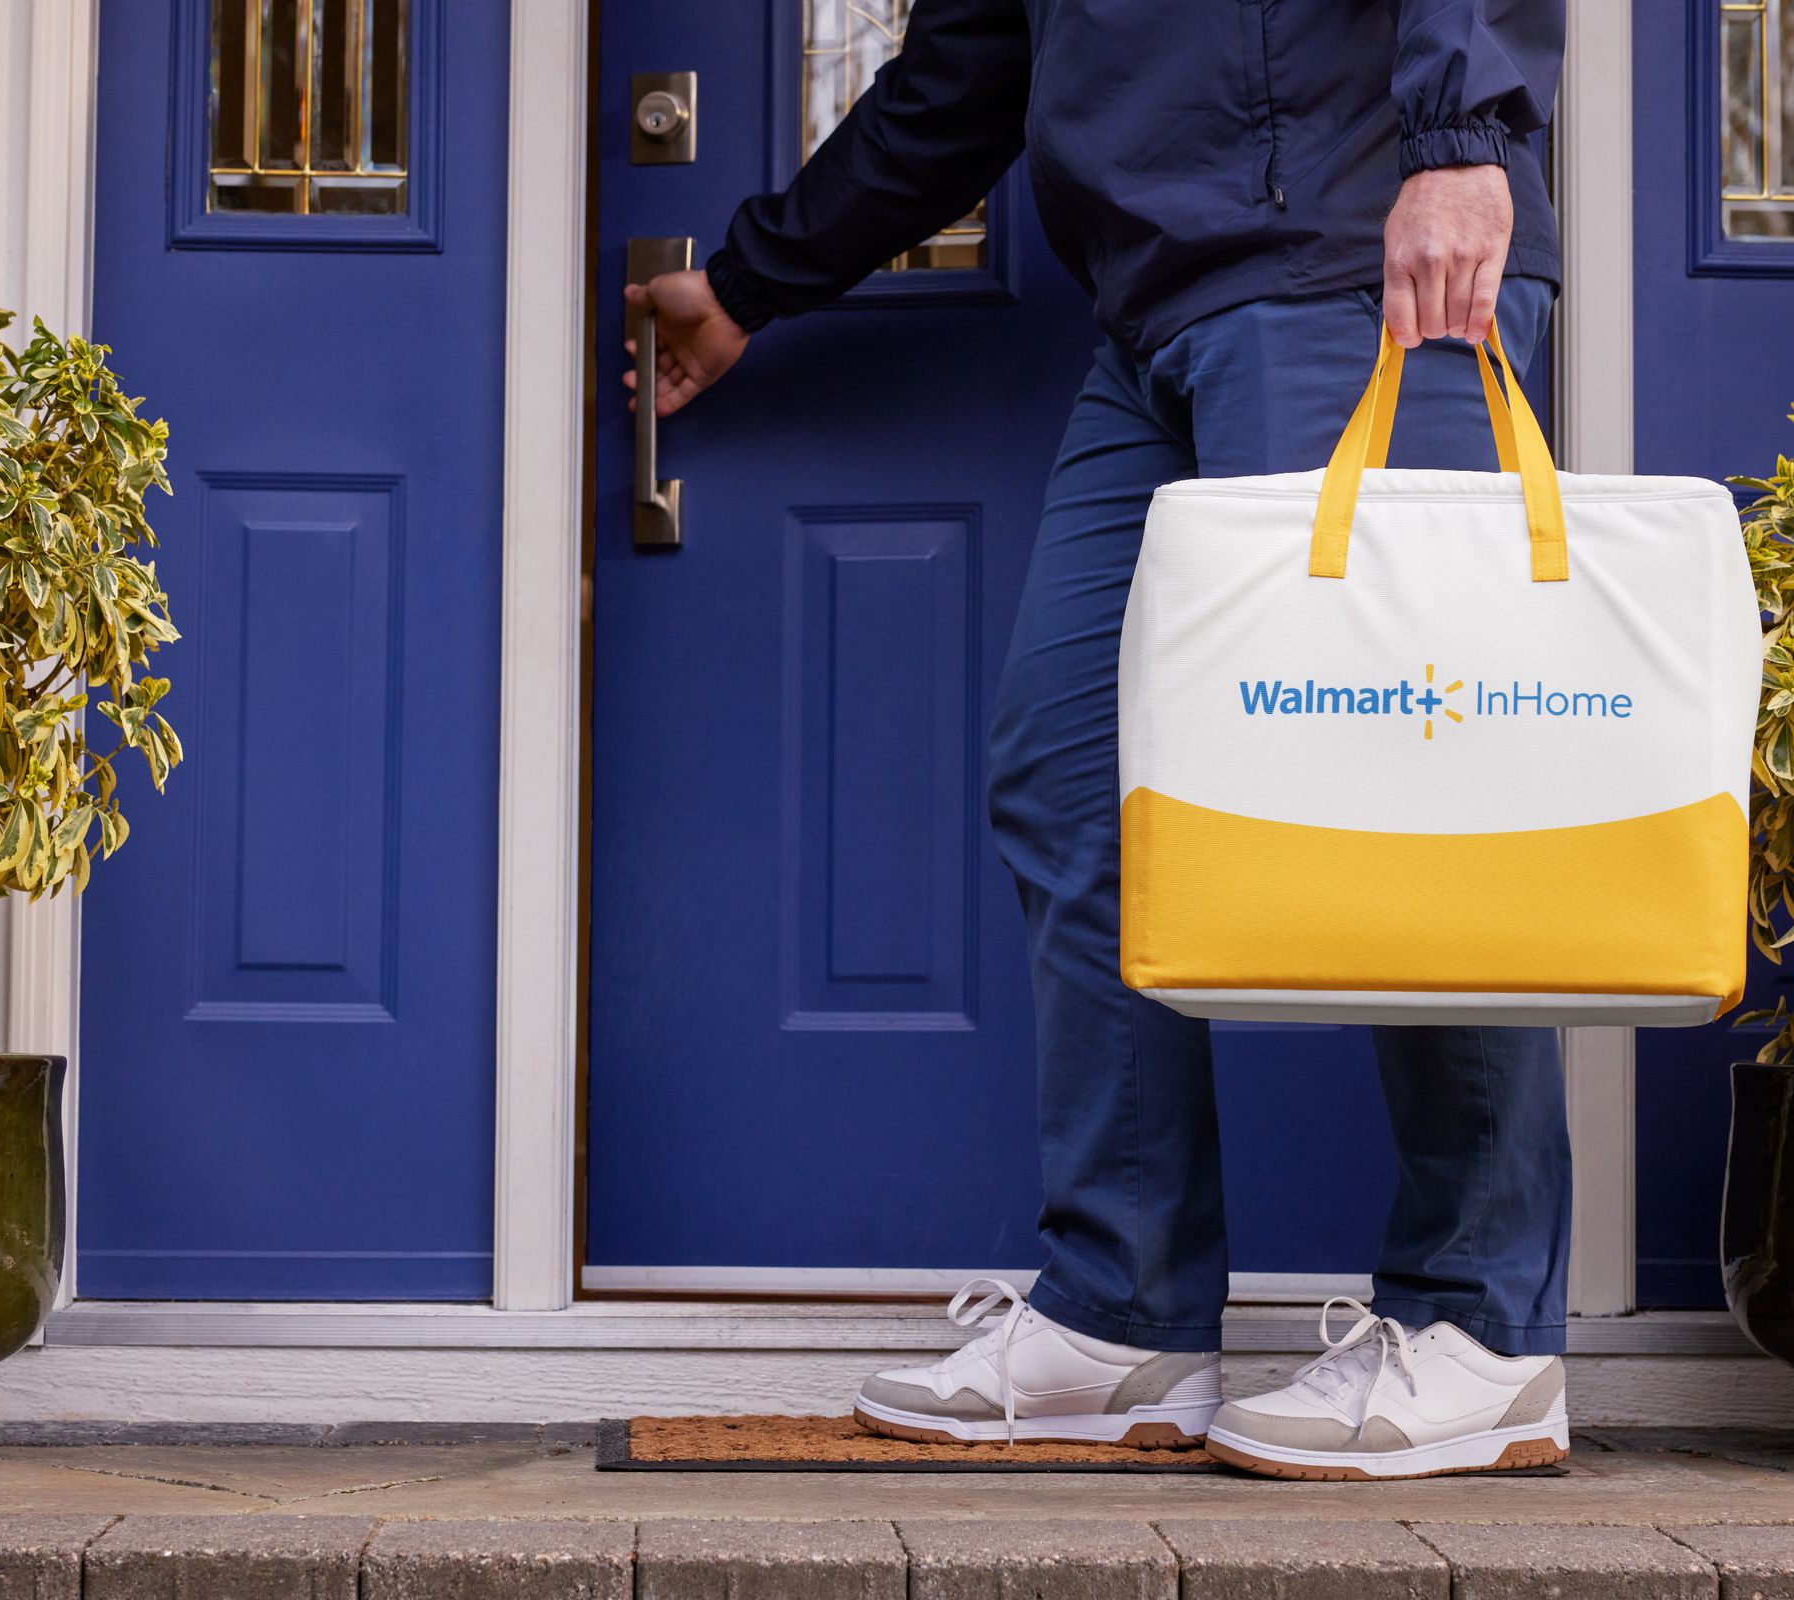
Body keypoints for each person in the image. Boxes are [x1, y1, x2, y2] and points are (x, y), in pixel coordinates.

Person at [625, 0, 1571, 1482]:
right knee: (1073, 769)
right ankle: (1125, 1311)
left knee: (1420, 793)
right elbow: (973, 65)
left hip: (1358, 260)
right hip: (1164, 317)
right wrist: (751, 279)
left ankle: (1484, 1328)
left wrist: (1466, 144)